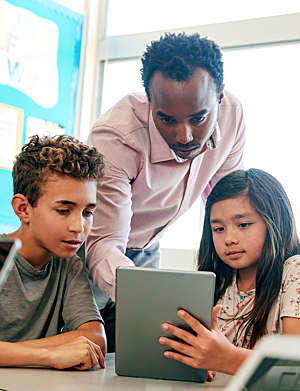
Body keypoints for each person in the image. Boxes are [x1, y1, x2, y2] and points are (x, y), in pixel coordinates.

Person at [86, 32, 246, 351]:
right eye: (166, 119)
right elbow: (104, 242)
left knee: (145, 351)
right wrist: (157, 296)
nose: (184, 135)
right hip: (92, 249)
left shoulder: (232, 116)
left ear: (219, 98)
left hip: (148, 247)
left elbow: (228, 206)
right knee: (89, 347)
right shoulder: (116, 138)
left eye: (199, 118)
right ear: (149, 101)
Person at [158, 168, 300, 376]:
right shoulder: (219, 282)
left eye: (243, 224)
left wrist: (226, 359)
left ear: (275, 222)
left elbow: (293, 367)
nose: (229, 239)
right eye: (218, 229)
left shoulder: (294, 271)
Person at [0, 135, 107, 370]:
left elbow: (95, 337)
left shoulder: (68, 263)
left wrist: (11, 353)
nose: (78, 227)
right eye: (63, 210)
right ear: (23, 209)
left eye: (87, 212)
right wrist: (50, 355)